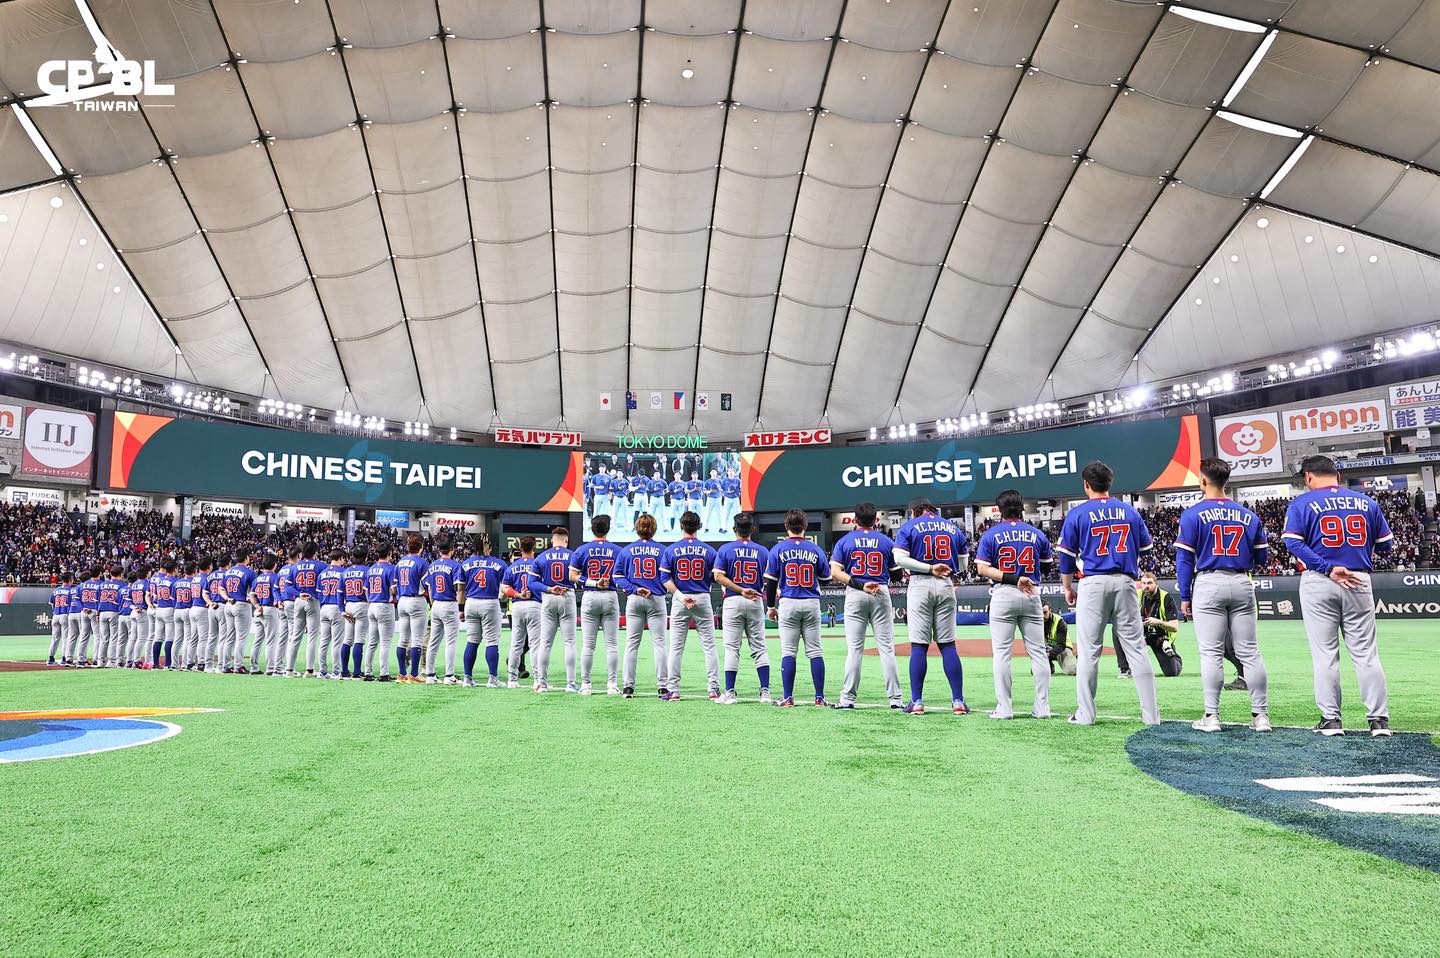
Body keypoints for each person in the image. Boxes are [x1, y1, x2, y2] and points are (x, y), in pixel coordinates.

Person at [1282, 454, 1394, 737]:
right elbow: (1386, 545)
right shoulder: (1367, 502)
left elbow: (1293, 543)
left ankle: (1331, 721)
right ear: (1338, 476)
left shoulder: (1302, 503)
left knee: (1325, 655)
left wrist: (1328, 567)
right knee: (1366, 654)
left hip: (1320, 580)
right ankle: (1379, 721)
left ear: (1308, 477)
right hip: (1358, 578)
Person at [1057, 460, 1160, 726]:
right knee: (1136, 649)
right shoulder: (1129, 511)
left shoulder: (1077, 514)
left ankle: (1086, 715)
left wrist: (1067, 588)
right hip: (1125, 581)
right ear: (1109, 483)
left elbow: (1066, 559)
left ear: (1086, 484)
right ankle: (1152, 717)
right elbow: (1147, 551)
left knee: (1089, 651)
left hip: (1092, 583)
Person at [1175, 457, 1271, 733]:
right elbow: (1262, 557)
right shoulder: (1248, 515)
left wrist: (1185, 596)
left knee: (1211, 653)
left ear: (1203, 480)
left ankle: (1212, 716)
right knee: (1250, 652)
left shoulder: (1192, 514)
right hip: (1241, 581)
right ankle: (1261, 716)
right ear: (1226, 481)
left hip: (1209, 582)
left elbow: (1184, 560)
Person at [974, 490, 1053, 719]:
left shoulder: (991, 534)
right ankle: (1042, 708)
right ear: (1022, 508)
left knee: (1002, 654)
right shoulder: (1037, 533)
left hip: (1004, 592)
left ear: (999, 510)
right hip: (1031, 593)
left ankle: (1005, 708)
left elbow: (982, 569)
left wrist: (1012, 577)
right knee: (1038, 653)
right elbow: (1046, 567)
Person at [892, 498, 969, 715]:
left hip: (920, 583)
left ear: (917, 510)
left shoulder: (909, 526)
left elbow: (900, 559)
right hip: (945, 583)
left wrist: (929, 568)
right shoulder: (952, 526)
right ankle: (958, 701)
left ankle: (916, 701)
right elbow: (963, 564)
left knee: (919, 646)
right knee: (948, 645)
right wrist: (943, 568)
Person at [829, 502, 902, 710]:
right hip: (880, 591)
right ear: (876, 520)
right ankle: (896, 699)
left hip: (856, 591)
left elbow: (835, 572)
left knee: (854, 650)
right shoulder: (886, 541)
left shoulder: (845, 540)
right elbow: (897, 575)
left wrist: (860, 584)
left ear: (855, 519)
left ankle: (847, 699)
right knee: (886, 649)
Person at [764, 508, 831, 707]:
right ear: (805, 526)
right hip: (811, 602)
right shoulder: (815, 549)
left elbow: (771, 583)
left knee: (788, 651)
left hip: (788, 602)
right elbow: (826, 579)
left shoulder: (778, 549)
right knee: (815, 651)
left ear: (786, 526)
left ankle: (788, 697)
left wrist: (770, 607)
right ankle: (819, 697)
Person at [713, 512, 772, 704]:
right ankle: (765, 692)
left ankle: (730, 692)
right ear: (753, 529)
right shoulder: (763, 551)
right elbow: (770, 578)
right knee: (759, 647)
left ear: (734, 529)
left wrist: (740, 589)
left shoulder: (725, 549)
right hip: (755, 599)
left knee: (732, 648)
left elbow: (718, 577)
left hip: (733, 599)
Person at [662, 511, 720, 701]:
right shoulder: (709, 550)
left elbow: (665, 579)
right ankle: (713, 689)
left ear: (681, 526)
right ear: (699, 526)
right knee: (709, 646)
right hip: (702, 597)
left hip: (680, 598)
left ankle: (673, 690)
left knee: (676, 647)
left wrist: (680, 596)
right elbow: (716, 576)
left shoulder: (671, 549)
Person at [616, 513, 669, 698]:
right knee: (660, 644)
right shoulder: (663, 550)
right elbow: (668, 576)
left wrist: (634, 588)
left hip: (635, 598)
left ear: (637, 528)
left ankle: (628, 687)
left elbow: (617, 576)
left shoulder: (627, 550)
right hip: (656, 598)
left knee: (631, 644)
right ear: (654, 529)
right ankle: (663, 687)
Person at [570, 515, 622, 695]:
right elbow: (623, 576)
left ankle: (586, 685)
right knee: (612, 645)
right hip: (610, 596)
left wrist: (592, 582)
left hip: (590, 595)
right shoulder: (617, 550)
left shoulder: (582, 549)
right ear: (609, 528)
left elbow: (572, 576)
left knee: (588, 645)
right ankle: (612, 684)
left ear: (592, 529)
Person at [528, 527, 577, 693]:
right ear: (566, 540)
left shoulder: (541, 557)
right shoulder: (573, 555)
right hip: (567, 595)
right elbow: (579, 578)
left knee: (545, 643)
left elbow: (531, 583)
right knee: (569, 642)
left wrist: (549, 589)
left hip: (549, 596)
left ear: (552, 540)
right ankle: (571, 683)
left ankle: (541, 683)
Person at [460, 536, 507, 688]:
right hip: (490, 602)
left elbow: (461, 590)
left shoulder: (466, 563)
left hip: (471, 602)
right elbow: (505, 587)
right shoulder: (499, 563)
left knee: (472, 640)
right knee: (491, 641)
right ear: (489, 546)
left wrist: (461, 609)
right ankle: (492, 678)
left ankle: (467, 678)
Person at [1116, 573, 1182, 678]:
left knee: (1171, 672)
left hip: (1159, 636)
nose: (1146, 586)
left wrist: (1158, 622)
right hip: (1140, 634)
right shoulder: (1136, 595)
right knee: (1117, 630)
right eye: (1144, 583)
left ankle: (1174, 656)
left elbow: (1174, 627)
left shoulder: (1166, 598)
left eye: (1150, 583)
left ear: (1156, 584)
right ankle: (1125, 669)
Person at [421, 536, 463, 685]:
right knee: (450, 641)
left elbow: (429, 589)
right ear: (452, 549)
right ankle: (449, 675)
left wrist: (433, 605)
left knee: (433, 641)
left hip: (436, 604)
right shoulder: (455, 565)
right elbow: (459, 588)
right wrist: (460, 607)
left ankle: (430, 674)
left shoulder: (432, 565)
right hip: (449, 603)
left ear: (439, 550)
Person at [501, 537, 541, 687]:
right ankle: (538, 680)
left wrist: (518, 594)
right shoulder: (538, 564)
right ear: (534, 548)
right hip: (535, 605)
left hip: (517, 606)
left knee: (516, 644)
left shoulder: (512, 566)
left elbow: (504, 588)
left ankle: (511, 679)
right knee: (535, 644)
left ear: (520, 548)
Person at [394, 534, 430, 683]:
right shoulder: (422, 562)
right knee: (417, 640)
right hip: (416, 600)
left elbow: (394, 587)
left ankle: (402, 673)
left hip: (402, 600)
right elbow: (427, 585)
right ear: (421, 547)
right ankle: (414, 674)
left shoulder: (400, 562)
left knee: (403, 640)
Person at [364, 543, 398, 682]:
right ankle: (384, 673)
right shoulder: (390, 568)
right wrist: (395, 596)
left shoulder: (371, 569)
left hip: (372, 605)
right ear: (389, 553)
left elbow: (366, 590)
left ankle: (368, 672)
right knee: (385, 642)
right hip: (384, 605)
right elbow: (394, 589)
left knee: (372, 642)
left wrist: (371, 602)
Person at [224, 549, 259, 674]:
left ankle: (226, 666)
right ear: (246, 557)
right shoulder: (249, 572)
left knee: (230, 637)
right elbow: (255, 591)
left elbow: (221, 588)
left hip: (229, 604)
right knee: (241, 637)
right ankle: (238, 666)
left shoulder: (228, 571)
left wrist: (227, 597)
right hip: (241, 605)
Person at [339, 548, 370, 680]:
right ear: (365, 557)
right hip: (362, 604)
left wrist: (342, 610)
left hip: (349, 605)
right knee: (359, 639)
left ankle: (345, 671)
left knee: (347, 640)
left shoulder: (345, 572)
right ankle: (357, 672)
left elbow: (340, 593)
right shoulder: (367, 570)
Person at [251, 555, 283, 675]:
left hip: (259, 610)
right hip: (270, 609)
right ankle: (270, 668)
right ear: (274, 564)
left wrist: (257, 606)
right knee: (271, 640)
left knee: (257, 640)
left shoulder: (257, 578)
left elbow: (251, 595)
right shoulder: (276, 577)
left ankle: (254, 667)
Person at [48, 572, 74, 665]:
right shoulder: (71, 590)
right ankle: (64, 658)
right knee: (66, 638)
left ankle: (51, 659)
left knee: (55, 638)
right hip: (65, 615)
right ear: (70, 579)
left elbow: (51, 603)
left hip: (55, 615)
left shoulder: (56, 590)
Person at [1042, 601, 1073, 676]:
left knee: (1071, 671)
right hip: (1048, 648)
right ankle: (1050, 667)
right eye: (1040, 613)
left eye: (1045, 612)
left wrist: (1048, 654)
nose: (1042, 616)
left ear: (1050, 610)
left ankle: (1080, 662)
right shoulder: (1036, 622)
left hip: (1063, 648)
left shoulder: (1059, 621)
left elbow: (1061, 646)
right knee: (1038, 671)